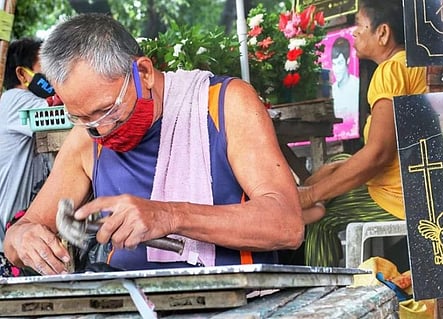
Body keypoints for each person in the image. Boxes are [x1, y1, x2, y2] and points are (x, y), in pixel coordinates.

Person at [3, 13, 303, 275]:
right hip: (126, 304)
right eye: (83, 117)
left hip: (238, 302)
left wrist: (169, 216)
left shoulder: (223, 104)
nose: (102, 129)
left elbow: (287, 224)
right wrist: (24, 237)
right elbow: (24, 230)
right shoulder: (87, 137)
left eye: (108, 110)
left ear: (143, 72)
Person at [299, 0, 427, 267]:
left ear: (382, 33)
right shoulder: (417, 65)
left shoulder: (391, 71)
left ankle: (323, 302)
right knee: (335, 164)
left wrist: (312, 195)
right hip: (421, 187)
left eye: (360, 25)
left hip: (401, 198)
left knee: (320, 218)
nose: (354, 32)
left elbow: (379, 154)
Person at [0, 37, 56, 274]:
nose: (55, 76)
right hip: (11, 242)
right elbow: (71, 114)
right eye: (48, 68)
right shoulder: (15, 100)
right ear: (22, 75)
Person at [329, 36, 360, 141]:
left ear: (348, 60)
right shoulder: (331, 91)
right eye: (334, 64)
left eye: (340, 63)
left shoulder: (357, 86)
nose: (336, 69)